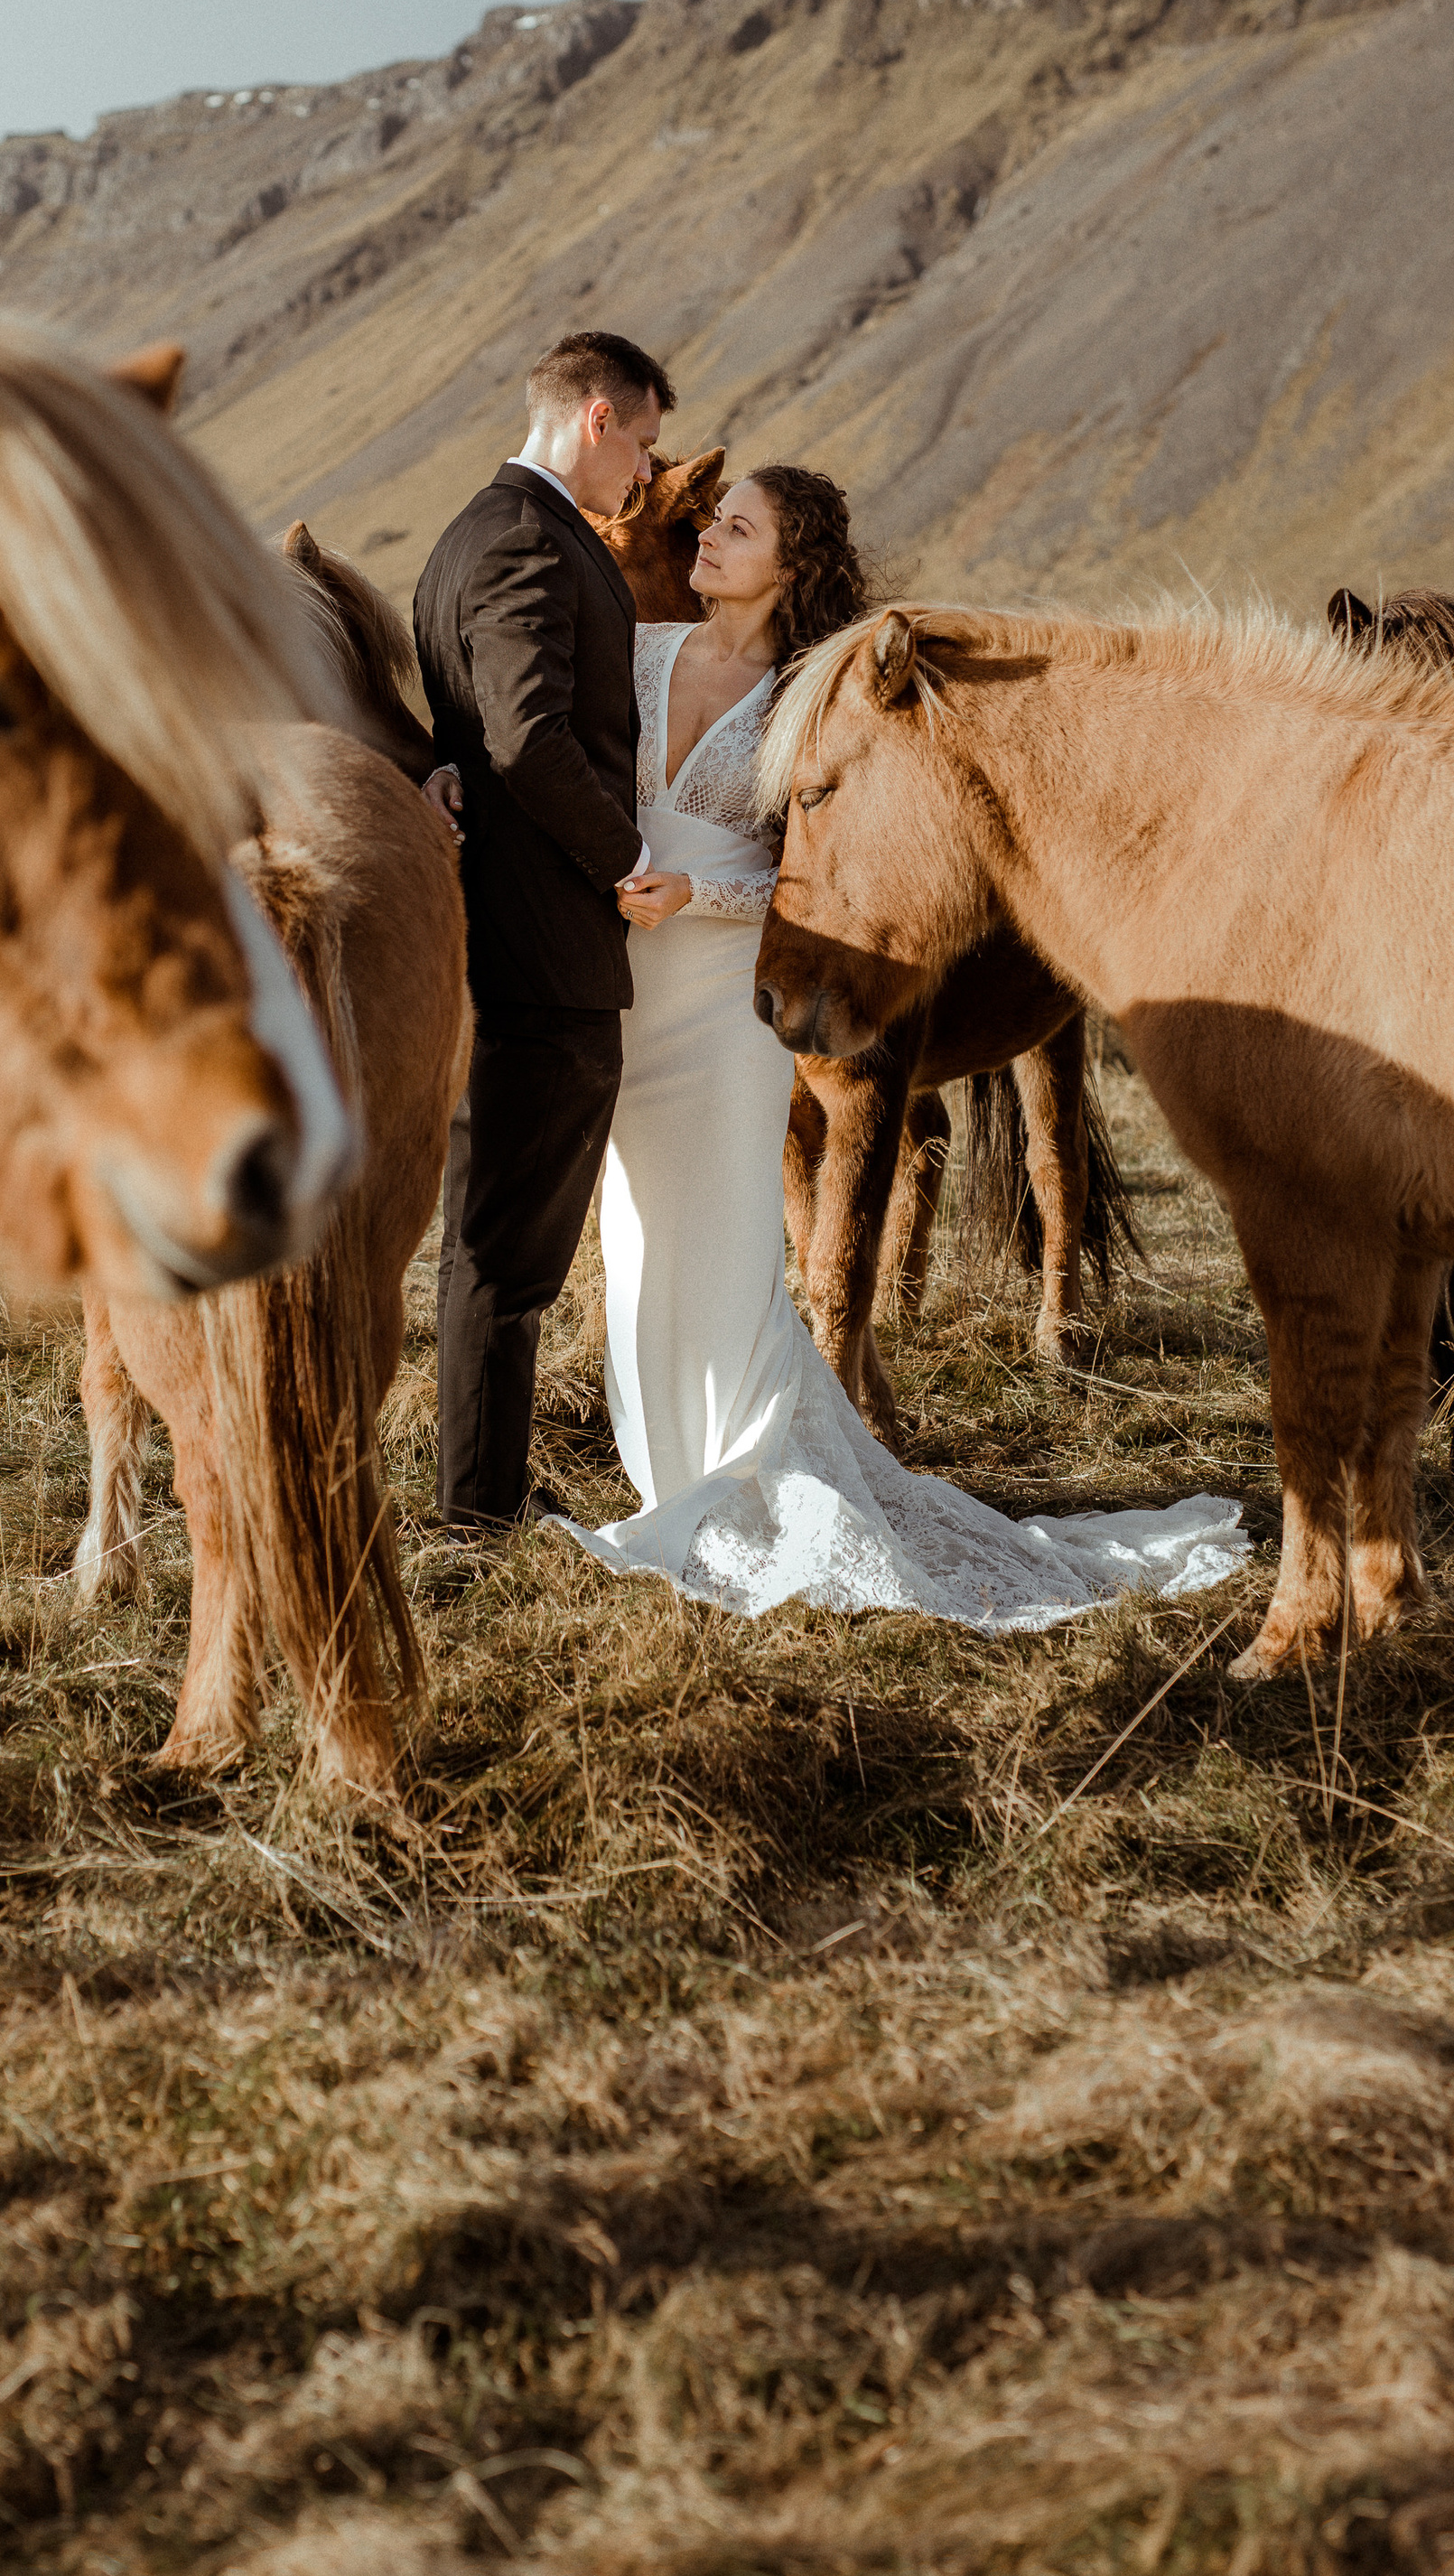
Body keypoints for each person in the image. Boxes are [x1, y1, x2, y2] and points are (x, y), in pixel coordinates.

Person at [560, 462, 1244, 1625]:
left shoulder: (807, 698)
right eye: (712, 522)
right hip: (638, 990)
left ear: (791, 566)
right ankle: (662, 1466)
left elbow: (827, 874)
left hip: (731, 989)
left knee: (725, 1243)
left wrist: (698, 896)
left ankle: (744, 1467)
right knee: (636, 1236)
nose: (707, 537)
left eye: (737, 528)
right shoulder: (638, 657)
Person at [413, 329, 673, 1528]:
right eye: (645, 445)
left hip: (499, 939)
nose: (648, 476)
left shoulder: (467, 532)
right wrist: (631, 862)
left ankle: (484, 1493)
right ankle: (478, 1513)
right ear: (598, 416)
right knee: (507, 1257)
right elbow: (524, 737)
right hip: (542, 949)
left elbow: (467, 731)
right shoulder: (529, 537)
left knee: (493, 1246)